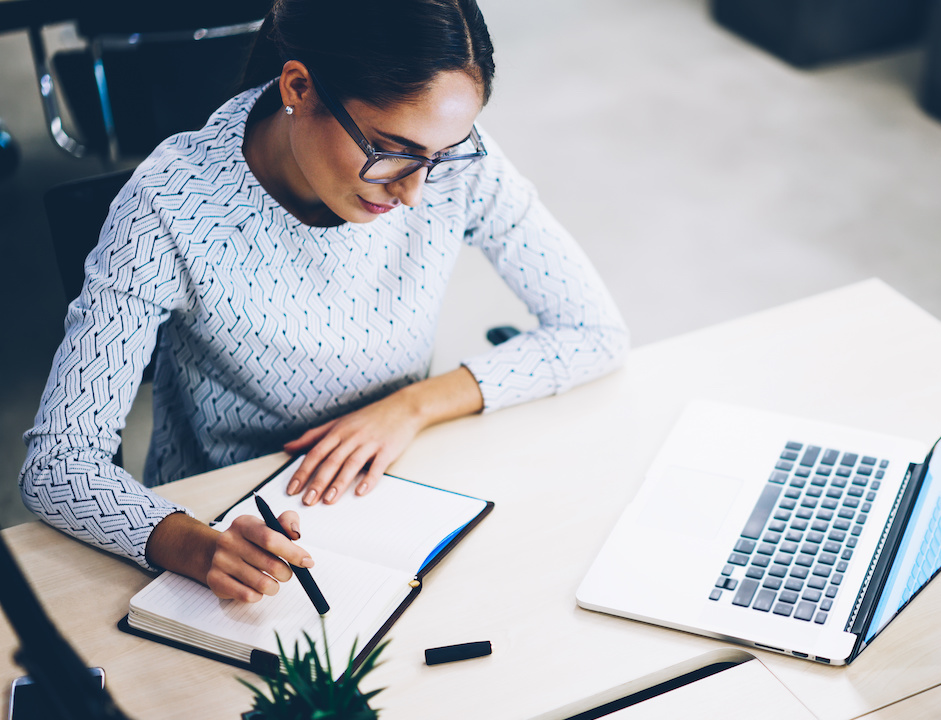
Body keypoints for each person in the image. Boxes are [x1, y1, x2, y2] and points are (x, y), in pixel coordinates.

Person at [20, 0, 628, 604]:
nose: (415, 192)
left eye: (442, 153)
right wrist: (198, 545)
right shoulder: (169, 207)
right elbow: (58, 462)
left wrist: (411, 407)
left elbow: (593, 330)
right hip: (230, 514)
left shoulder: (453, 167)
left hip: (396, 483)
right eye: (391, 149)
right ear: (300, 87)